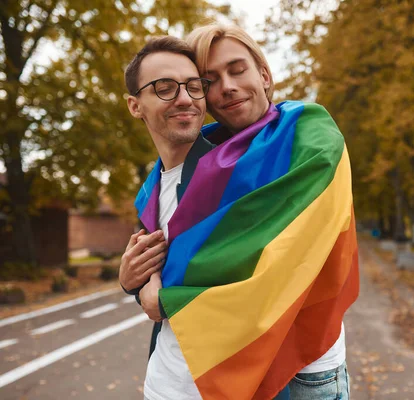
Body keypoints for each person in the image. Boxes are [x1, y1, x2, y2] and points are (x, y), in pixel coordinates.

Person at [120, 25, 359, 400]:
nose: (227, 87)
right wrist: (133, 280)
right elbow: (169, 265)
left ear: (264, 74)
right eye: (210, 80)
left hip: (298, 367)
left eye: (238, 69)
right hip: (198, 371)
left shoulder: (307, 134)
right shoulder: (199, 164)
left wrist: (162, 297)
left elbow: (277, 256)